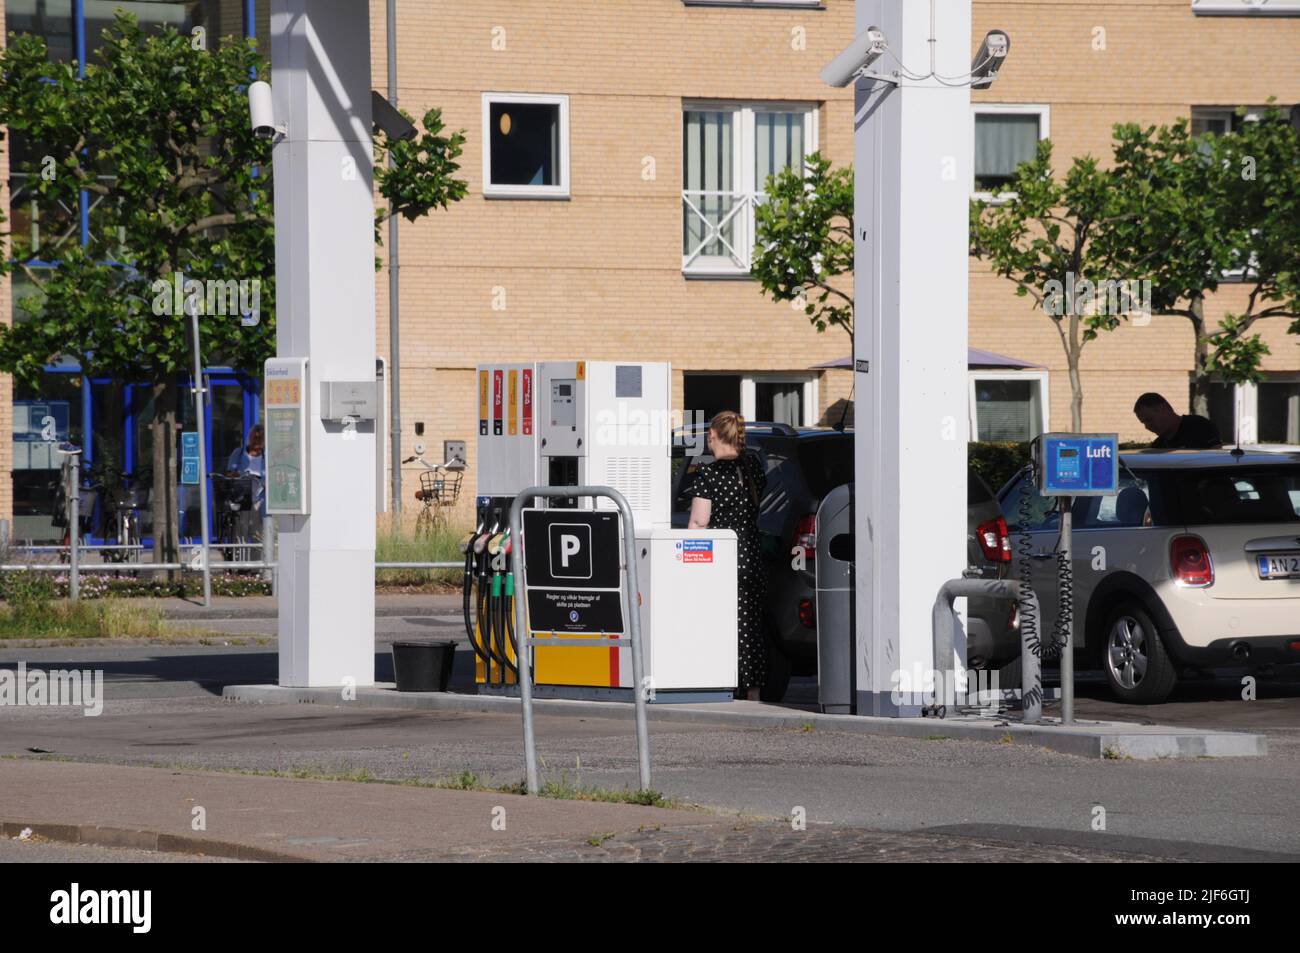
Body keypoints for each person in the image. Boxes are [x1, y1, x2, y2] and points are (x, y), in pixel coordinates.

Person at [688, 411, 768, 701]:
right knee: (751, 628)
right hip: (751, 555)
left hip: (723, 561)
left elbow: (699, 523)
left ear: (713, 435)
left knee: (722, 625)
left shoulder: (708, 473)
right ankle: (754, 692)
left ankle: (722, 685)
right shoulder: (754, 468)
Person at [1133, 393, 1221, 449]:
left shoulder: (1199, 426)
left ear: (1162, 408)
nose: (1147, 427)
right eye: (1143, 422)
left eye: (1149, 420)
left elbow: (1216, 458)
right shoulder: (1158, 447)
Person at [225, 424, 266, 520]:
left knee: (258, 532)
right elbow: (228, 474)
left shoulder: (267, 456)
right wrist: (237, 475)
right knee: (241, 531)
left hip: (260, 502)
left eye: (260, 438)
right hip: (241, 501)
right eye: (255, 437)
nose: (257, 441)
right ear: (250, 438)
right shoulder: (238, 453)